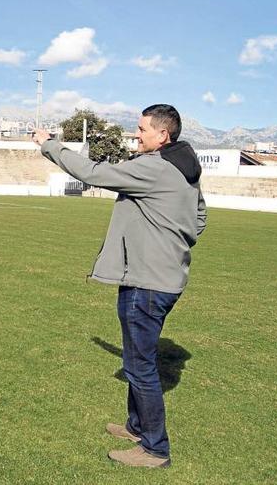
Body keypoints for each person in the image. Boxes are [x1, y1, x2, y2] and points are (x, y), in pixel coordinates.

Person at [32, 104, 207, 468]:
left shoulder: (155, 167)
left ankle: (155, 449)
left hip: (146, 282)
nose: (136, 134)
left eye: (142, 129)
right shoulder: (184, 170)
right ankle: (136, 427)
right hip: (163, 278)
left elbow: (94, 173)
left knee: (140, 366)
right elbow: (200, 216)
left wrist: (50, 145)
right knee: (135, 358)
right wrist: (175, 243)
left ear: (163, 135)